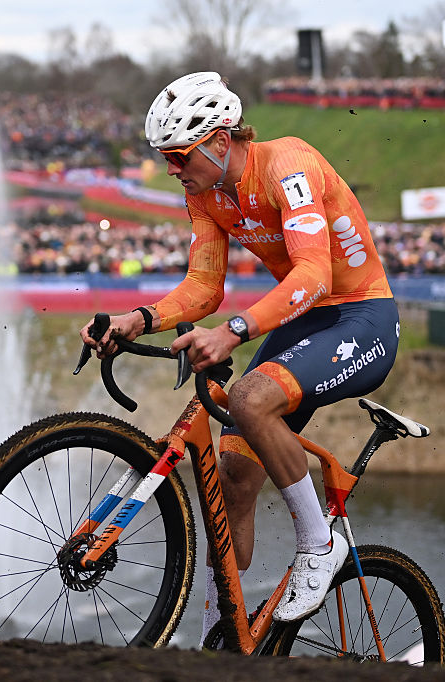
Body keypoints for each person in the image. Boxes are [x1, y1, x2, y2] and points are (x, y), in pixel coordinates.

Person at [79, 72, 398, 643]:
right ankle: (220, 634)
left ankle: (320, 545)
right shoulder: (205, 193)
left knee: (250, 400)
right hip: (305, 321)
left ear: (220, 140)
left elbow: (315, 274)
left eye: (179, 156)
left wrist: (233, 333)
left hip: (360, 316)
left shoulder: (287, 166)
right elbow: (204, 286)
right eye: (166, 158)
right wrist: (139, 318)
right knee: (231, 478)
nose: (173, 169)